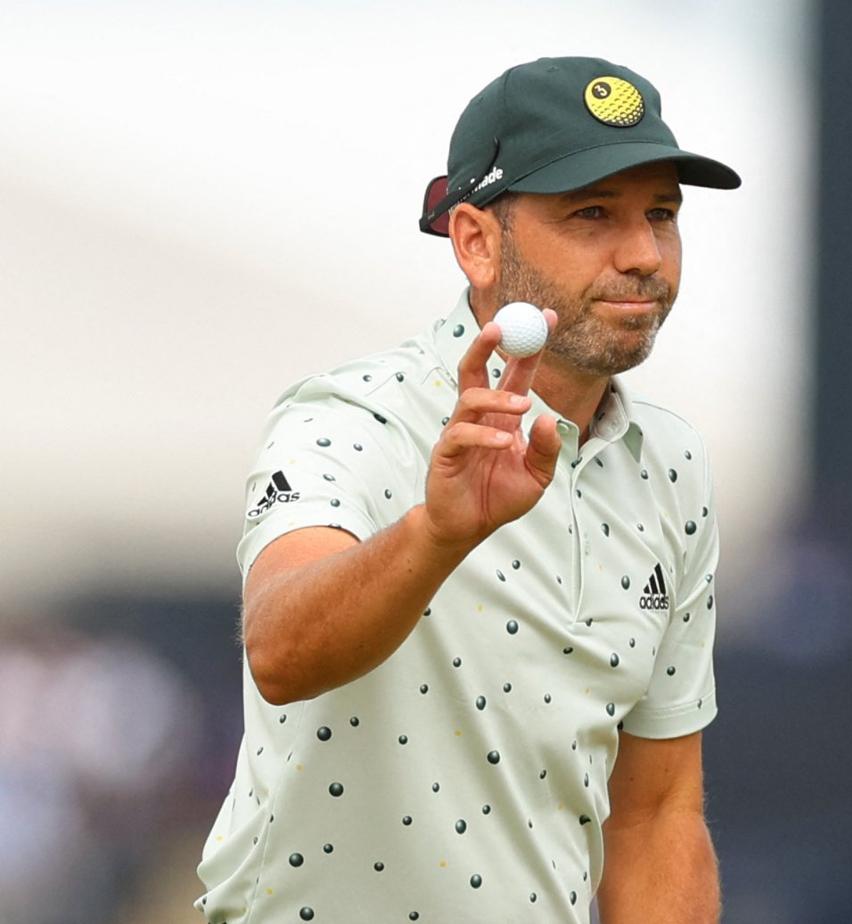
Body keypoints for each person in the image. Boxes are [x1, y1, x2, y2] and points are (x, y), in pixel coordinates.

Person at [196, 55, 740, 924]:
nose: (643, 255)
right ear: (477, 241)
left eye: (661, 215)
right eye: (593, 214)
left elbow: (655, 814)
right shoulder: (355, 415)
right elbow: (280, 653)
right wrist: (436, 535)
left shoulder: (670, 465)